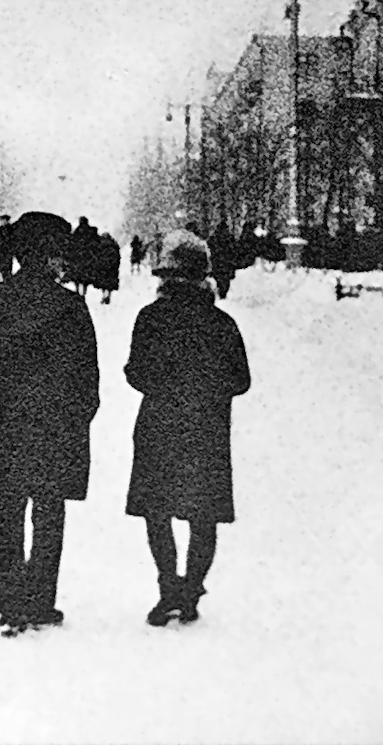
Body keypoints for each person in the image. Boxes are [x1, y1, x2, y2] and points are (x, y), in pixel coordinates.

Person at [0, 211, 100, 635]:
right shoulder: (71, 307)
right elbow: (87, 376)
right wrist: (74, 415)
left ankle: (10, 602)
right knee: (49, 511)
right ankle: (40, 599)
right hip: (56, 425)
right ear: (51, 256)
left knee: (5, 512)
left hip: (6, 423)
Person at [125, 231, 252, 626]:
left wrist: (165, 385)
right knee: (203, 513)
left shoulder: (151, 318)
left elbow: (135, 374)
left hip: (159, 424)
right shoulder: (221, 323)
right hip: (206, 428)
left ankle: (168, 588)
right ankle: (192, 590)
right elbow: (241, 380)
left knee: (157, 510)